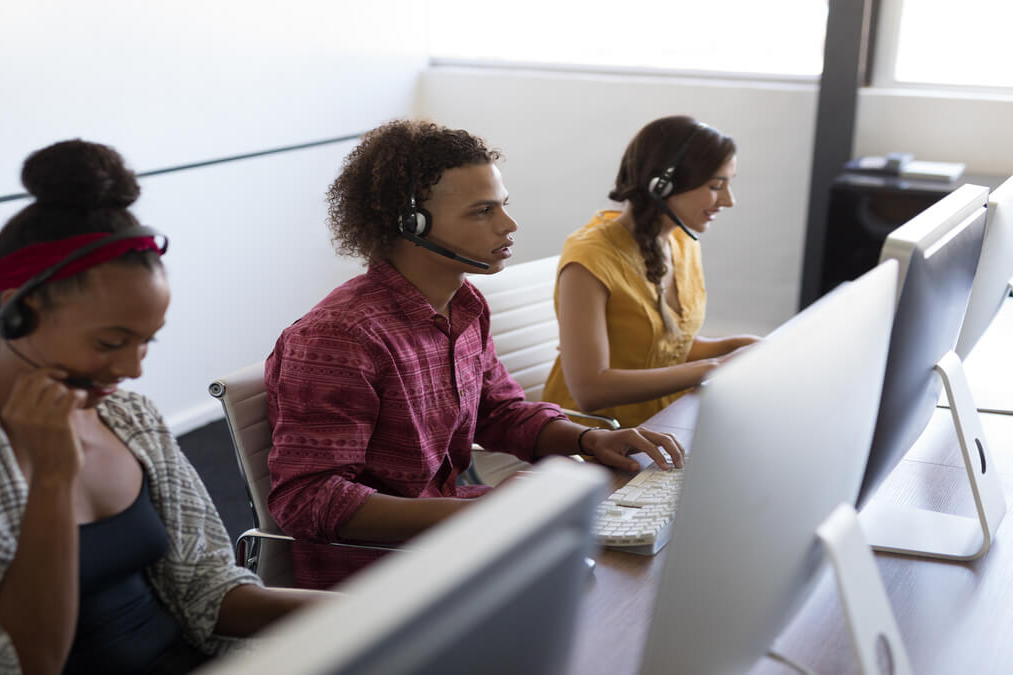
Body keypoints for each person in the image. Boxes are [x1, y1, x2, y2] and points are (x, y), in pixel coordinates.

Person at [0, 140, 319, 675]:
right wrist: (53, 479)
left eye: (147, 341)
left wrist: (373, 609)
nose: (133, 368)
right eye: (109, 342)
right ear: (17, 309)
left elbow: (207, 588)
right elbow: (8, 665)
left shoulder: (129, 418)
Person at [264, 120, 684, 590]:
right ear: (410, 225)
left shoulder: (465, 307)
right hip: (375, 576)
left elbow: (498, 410)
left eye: (503, 205)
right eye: (482, 211)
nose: (509, 225)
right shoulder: (341, 337)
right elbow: (308, 499)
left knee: (638, 568)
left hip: (453, 533)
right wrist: (483, 513)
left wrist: (588, 441)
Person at [542, 115, 760, 428]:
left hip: (665, 425)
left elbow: (666, 350)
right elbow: (590, 389)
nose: (729, 200)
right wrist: (714, 367)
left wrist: (736, 346)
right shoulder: (590, 259)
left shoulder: (682, 241)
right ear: (663, 184)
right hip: (593, 442)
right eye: (716, 186)